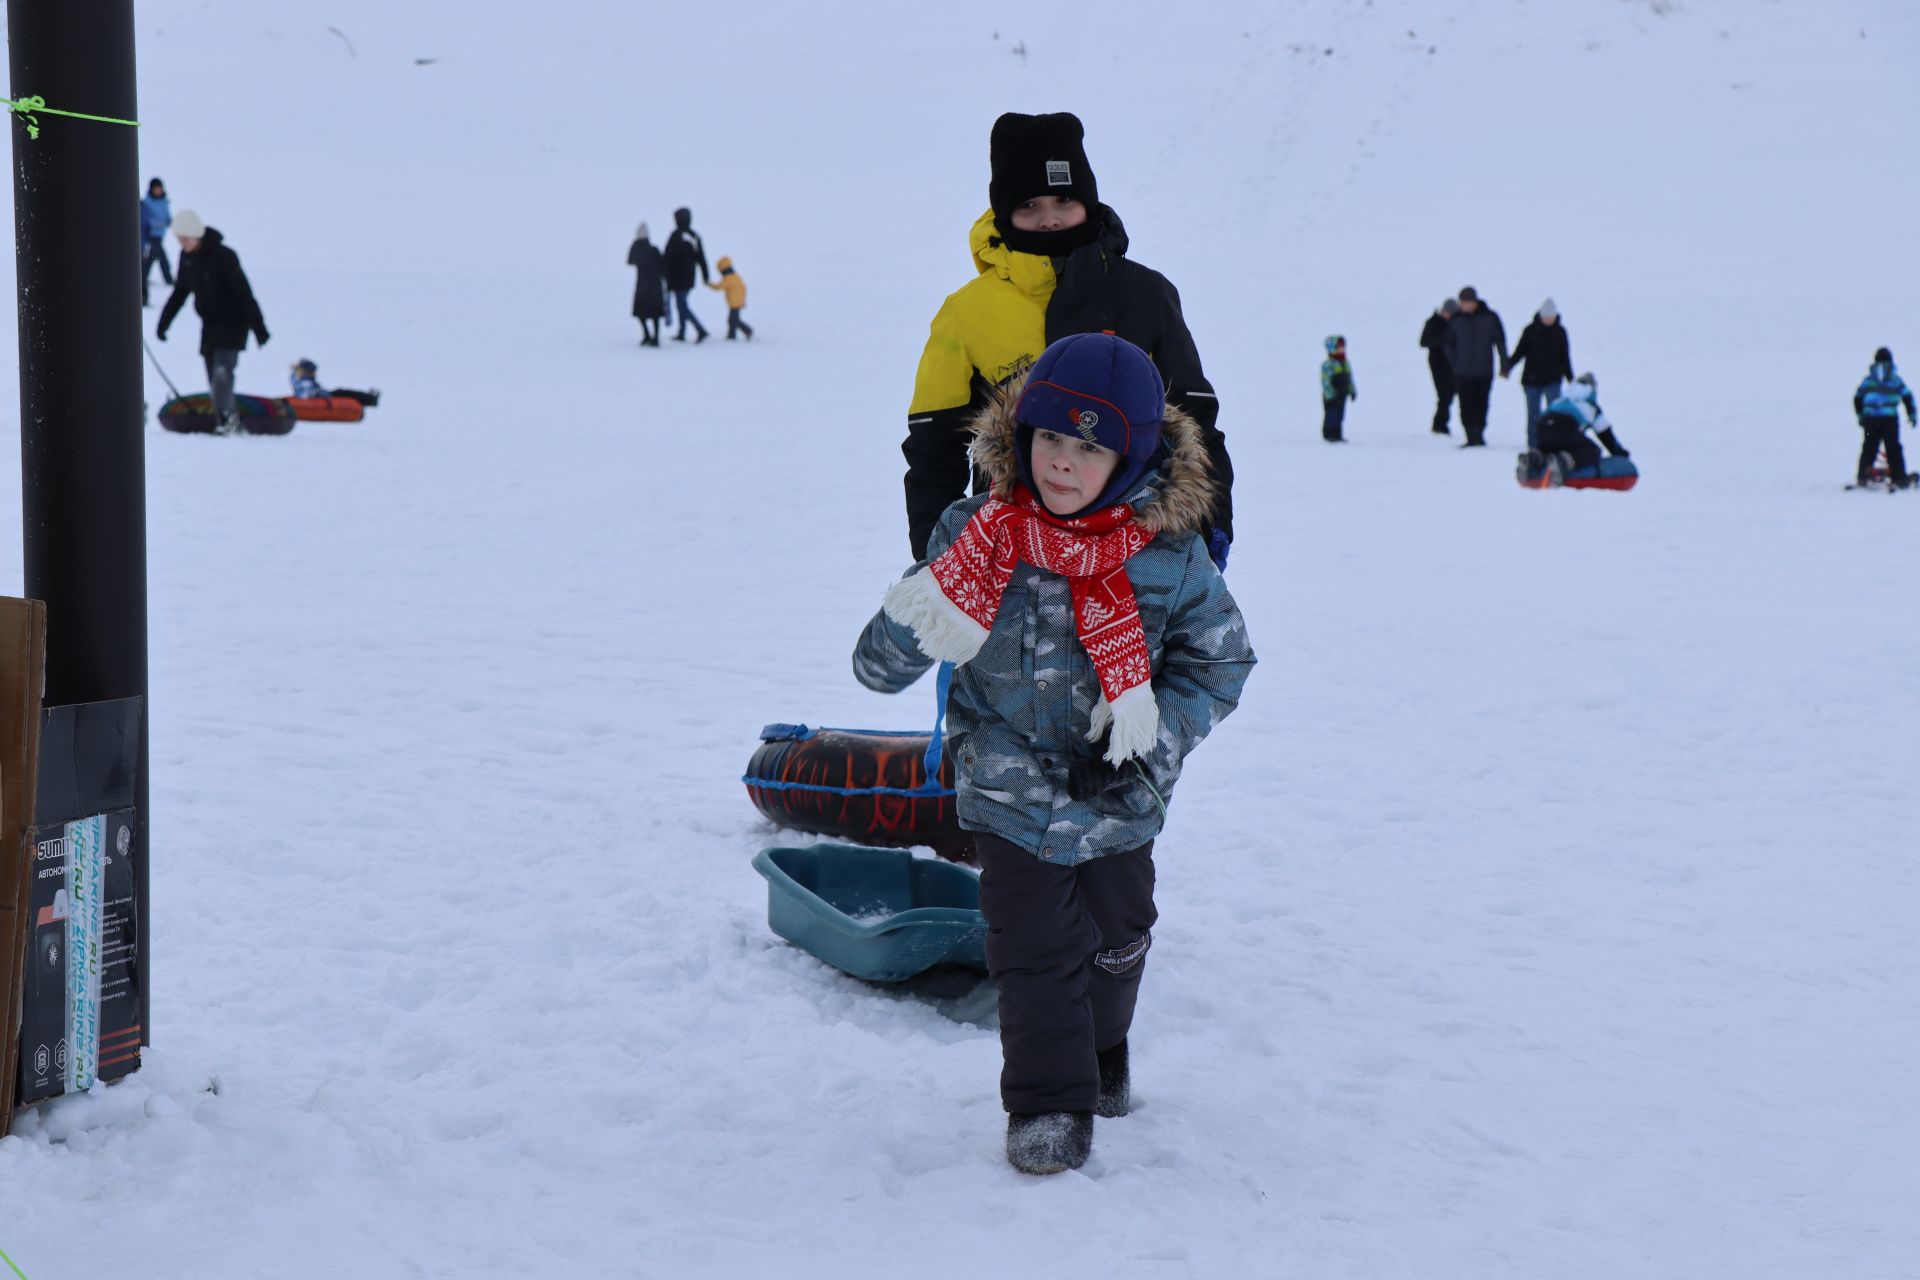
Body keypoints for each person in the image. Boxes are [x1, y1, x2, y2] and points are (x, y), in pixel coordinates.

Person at [854, 333, 1254, 1176]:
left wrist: (1152, 743)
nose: (1063, 463)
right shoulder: (974, 534)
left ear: (1134, 458)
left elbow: (1221, 662)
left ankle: (1104, 1050)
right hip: (1005, 792)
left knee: (1118, 940)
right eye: (1050, 438)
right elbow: (877, 667)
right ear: (1020, 435)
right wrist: (917, 610)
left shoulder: (1169, 560)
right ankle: (1048, 1104)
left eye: (1090, 445)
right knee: (1032, 953)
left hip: (1119, 798)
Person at [901, 111, 1235, 569]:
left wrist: (1211, 524)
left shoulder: (1146, 295)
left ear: (1089, 201)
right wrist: (938, 554)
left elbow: (1196, 422)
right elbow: (931, 450)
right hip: (1012, 550)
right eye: (1029, 205)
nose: (1049, 219)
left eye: (1063, 200)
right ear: (1003, 211)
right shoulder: (966, 313)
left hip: (1136, 545)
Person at [155, 209, 269, 434]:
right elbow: (180, 293)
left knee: (222, 372)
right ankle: (223, 418)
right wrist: (163, 324)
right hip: (210, 325)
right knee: (212, 374)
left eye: (185, 238)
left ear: (196, 234)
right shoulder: (187, 258)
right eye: (179, 239)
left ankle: (228, 421)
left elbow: (244, 293)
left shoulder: (224, 256)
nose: (182, 243)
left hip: (234, 322)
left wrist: (259, 327)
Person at [1520, 372, 1629, 484]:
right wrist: (1620, 453)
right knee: (1592, 450)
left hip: (1543, 426)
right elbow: (1605, 434)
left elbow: (1543, 419)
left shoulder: (1561, 400)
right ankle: (1565, 462)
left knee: (1551, 447)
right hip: (1566, 425)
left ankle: (1535, 458)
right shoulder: (1591, 405)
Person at [1444, 286, 1508, 447]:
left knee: (1481, 405)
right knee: (1465, 406)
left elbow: (1500, 342)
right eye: (1462, 302)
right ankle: (1471, 436)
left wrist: (1504, 365)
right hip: (1462, 371)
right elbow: (1448, 343)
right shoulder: (1456, 319)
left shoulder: (1490, 317)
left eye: (1467, 302)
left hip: (1483, 371)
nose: (1465, 305)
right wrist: (1454, 363)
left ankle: (1478, 434)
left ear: (1475, 301)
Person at [1508, 298, 1573, 448]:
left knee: (1554, 414)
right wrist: (1508, 367)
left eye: (1551, 317)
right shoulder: (1530, 331)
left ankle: (1553, 442)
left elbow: (1565, 357)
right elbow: (1520, 352)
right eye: (1546, 317)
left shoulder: (1560, 332)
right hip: (1531, 381)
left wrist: (1571, 379)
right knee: (1533, 415)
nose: (1548, 320)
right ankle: (1534, 443)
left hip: (1553, 380)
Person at [1853, 347, 1915, 489]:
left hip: (1870, 420)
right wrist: (1912, 415)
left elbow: (1857, 398)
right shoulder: (1894, 379)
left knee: (1869, 447)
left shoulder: (1869, 380)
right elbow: (1907, 396)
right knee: (1893, 447)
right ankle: (1899, 478)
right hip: (1889, 420)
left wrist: (1860, 416)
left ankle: (1863, 476)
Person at [661, 207, 711, 343]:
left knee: (682, 306)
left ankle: (701, 330)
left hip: (676, 278)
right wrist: (706, 276)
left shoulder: (675, 235)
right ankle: (682, 333)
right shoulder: (695, 236)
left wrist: (664, 274)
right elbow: (701, 258)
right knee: (681, 304)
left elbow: (667, 256)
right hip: (689, 278)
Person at [1419, 298, 1458, 435]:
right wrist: (1441, 340)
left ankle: (1441, 424)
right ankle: (1439, 425)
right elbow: (1423, 342)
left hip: (1452, 363)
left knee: (1449, 394)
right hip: (1438, 363)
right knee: (1444, 395)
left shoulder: (1455, 323)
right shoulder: (1433, 322)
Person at [627, 223, 667, 347]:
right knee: (655, 314)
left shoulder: (637, 250)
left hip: (642, 286)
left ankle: (646, 335)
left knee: (641, 313)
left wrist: (634, 244)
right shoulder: (654, 249)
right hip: (655, 285)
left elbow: (629, 261)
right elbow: (663, 267)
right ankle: (655, 338)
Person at [140, 177, 173, 308]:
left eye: (160, 188)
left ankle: (143, 279)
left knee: (150, 259)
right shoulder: (146, 203)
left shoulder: (164, 201)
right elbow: (145, 221)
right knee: (161, 258)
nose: (158, 190)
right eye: (156, 188)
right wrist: (156, 225)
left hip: (160, 236)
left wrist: (169, 221)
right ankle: (168, 279)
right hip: (150, 236)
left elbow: (166, 216)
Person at [288, 359, 379, 406]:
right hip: (323, 398)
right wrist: (319, 394)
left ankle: (368, 399)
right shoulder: (303, 381)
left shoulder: (298, 378)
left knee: (342, 392)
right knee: (342, 393)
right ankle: (370, 399)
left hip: (323, 395)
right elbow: (307, 393)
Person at [707, 255, 752, 340]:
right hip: (738, 301)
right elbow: (743, 288)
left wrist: (709, 284)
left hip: (734, 303)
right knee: (733, 320)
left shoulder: (727, 279)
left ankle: (747, 330)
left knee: (734, 320)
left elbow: (718, 287)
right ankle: (732, 335)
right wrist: (743, 300)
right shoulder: (736, 276)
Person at [1320, 334, 1355, 442]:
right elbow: (1325, 380)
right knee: (1331, 414)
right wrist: (1329, 392)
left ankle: (1337, 434)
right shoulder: (1328, 364)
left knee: (1340, 414)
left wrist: (1352, 390)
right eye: (1339, 347)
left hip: (1342, 394)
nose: (1342, 349)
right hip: (1332, 395)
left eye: (1343, 347)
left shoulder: (1345, 363)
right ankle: (1329, 434)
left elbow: (1349, 378)